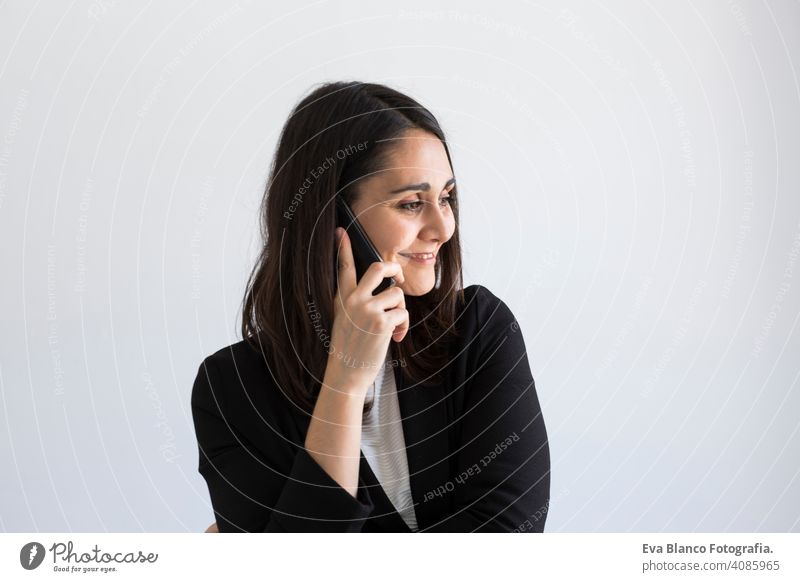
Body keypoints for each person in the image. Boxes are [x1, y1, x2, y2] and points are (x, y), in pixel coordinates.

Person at [191, 81, 550, 532]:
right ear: (332, 217)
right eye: (412, 203)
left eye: (446, 198)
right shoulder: (231, 390)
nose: (443, 227)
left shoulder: (479, 332)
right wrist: (344, 380)